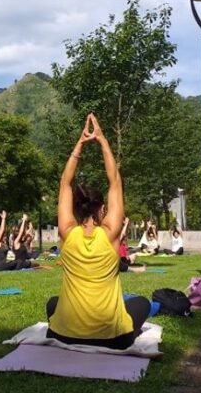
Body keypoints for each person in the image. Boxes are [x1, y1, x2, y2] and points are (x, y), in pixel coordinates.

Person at [46, 114, 150, 350]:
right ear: (102, 209)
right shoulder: (111, 232)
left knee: (54, 304)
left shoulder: (66, 232)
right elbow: (115, 181)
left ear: (74, 209)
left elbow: (65, 183)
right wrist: (102, 140)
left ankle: (70, 327)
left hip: (64, 335)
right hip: (112, 338)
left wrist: (80, 143)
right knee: (141, 303)